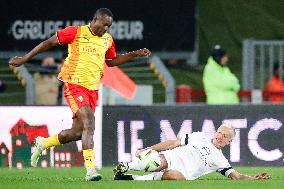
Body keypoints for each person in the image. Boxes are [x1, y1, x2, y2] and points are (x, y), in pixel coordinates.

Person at [9, 8, 151, 181]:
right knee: (89, 121)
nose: (106, 29)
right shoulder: (76, 32)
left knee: (77, 132)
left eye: (109, 26)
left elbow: (111, 62)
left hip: (92, 89)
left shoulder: (107, 40)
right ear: (95, 19)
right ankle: (90, 170)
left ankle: (43, 143)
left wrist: (135, 54)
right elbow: (49, 42)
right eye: (104, 24)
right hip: (74, 85)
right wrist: (25, 58)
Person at [113, 124, 270, 181]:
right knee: (157, 162)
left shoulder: (220, 161)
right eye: (220, 133)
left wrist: (253, 178)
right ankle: (126, 166)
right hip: (170, 157)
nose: (221, 137)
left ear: (229, 142)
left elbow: (236, 176)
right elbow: (173, 142)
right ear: (216, 132)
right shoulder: (199, 136)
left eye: (226, 137)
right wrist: (150, 149)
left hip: (183, 174)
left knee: (171, 176)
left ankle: (130, 178)